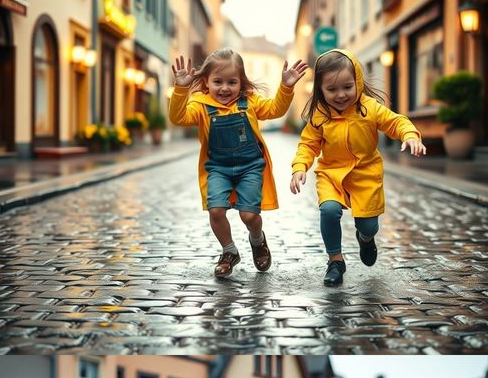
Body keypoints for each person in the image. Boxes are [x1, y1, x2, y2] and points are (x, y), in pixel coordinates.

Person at [289, 49, 424, 287]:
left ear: (358, 82)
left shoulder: (368, 108)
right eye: (332, 90)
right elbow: (308, 144)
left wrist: (410, 134)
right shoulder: (319, 116)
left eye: (347, 87)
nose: (340, 95)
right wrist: (300, 166)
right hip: (331, 174)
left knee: (368, 225)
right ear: (321, 90)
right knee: (329, 211)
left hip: (365, 174)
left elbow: (396, 121)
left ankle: (365, 237)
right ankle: (335, 261)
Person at [169, 49, 308, 279]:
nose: (225, 88)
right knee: (215, 210)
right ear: (206, 81)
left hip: (251, 167)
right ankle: (229, 251)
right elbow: (178, 118)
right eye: (218, 82)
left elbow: (275, 110)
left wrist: (286, 87)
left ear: (241, 82)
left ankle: (257, 239)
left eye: (232, 82)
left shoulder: (250, 101)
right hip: (217, 168)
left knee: (249, 216)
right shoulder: (200, 104)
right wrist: (181, 88)